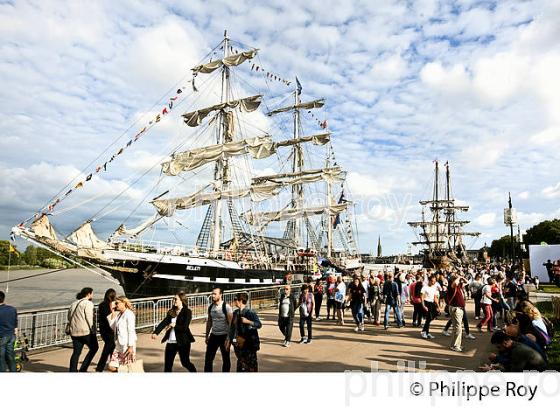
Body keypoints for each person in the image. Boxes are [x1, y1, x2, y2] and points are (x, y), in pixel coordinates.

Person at [152, 292, 196, 372]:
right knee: (168, 365)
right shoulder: (172, 311)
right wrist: (156, 332)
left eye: (176, 299)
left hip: (183, 342)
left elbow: (185, 327)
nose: (174, 300)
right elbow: (164, 322)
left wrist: (174, 325)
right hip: (171, 342)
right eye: (173, 299)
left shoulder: (187, 312)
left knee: (185, 363)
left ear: (182, 300)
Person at [67, 287, 98, 372]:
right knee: (94, 348)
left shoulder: (73, 303)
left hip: (74, 332)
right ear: (88, 294)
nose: (92, 295)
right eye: (92, 293)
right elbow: (89, 318)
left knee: (76, 353)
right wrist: (93, 330)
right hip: (85, 332)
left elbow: (69, 317)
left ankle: (72, 370)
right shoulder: (88, 303)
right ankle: (83, 368)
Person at [230, 292, 262, 372]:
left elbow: (259, 324)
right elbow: (233, 329)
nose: (234, 301)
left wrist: (248, 321)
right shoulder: (235, 313)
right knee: (241, 367)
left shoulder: (250, 312)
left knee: (251, 367)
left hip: (250, 344)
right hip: (240, 345)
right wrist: (232, 341)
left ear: (240, 301)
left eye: (235, 299)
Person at [204, 287, 233, 372]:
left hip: (224, 336)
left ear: (220, 295)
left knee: (226, 358)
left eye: (215, 294)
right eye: (212, 293)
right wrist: (207, 336)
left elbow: (231, 323)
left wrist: (228, 338)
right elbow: (209, 322)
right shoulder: (210, 307)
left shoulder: (226, 307)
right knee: (208, 359)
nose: (212, 295)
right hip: (213, 336)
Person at [107, 296, 137, 371]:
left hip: (126, 345)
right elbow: (113, 327)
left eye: (117, 303)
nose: (116, 305)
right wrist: (113, 312)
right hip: (118, 344)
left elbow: (131, 331)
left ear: (124, 303)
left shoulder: (129, 314)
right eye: (115, 303)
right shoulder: (119, 314)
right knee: (112, 366)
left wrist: (130, 346)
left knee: (126, 367)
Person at [95, 288, 116, 372]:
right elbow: (110, 317)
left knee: (112, 348)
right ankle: (100, 367)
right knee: (108, 349)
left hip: (103, 329)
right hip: (109, 329)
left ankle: (113, 365)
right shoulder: (110, 305)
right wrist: (113, 310)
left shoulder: (101, 305)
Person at [447, 275, 466, 352]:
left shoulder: (458, 287)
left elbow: (466, 282)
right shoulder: (452, 287)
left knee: (456, 328)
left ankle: (454, 345)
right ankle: (456, 346)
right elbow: (454, 283)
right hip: (456, 309)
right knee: (458, 328)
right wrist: (458, 277)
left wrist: (462, 277)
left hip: (459, 309)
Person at [0, 290, 18, 372]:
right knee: (10, 356)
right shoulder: (12, 309)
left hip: (2, 336)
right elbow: (15, 323)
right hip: (11, 335)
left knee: (1, 357)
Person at [421, 275, 440, 339]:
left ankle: (426, 332)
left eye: (434, 281)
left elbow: (435, 298)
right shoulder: (424, 287)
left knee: (432, 317)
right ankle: (425, 332)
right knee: (428, 318)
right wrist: (423, 306)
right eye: (432, 281)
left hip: (432, 304)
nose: (433, 282)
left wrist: (438, 307)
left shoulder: (434, 288)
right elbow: (422, 298)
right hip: (426, 303)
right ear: (429, 280)